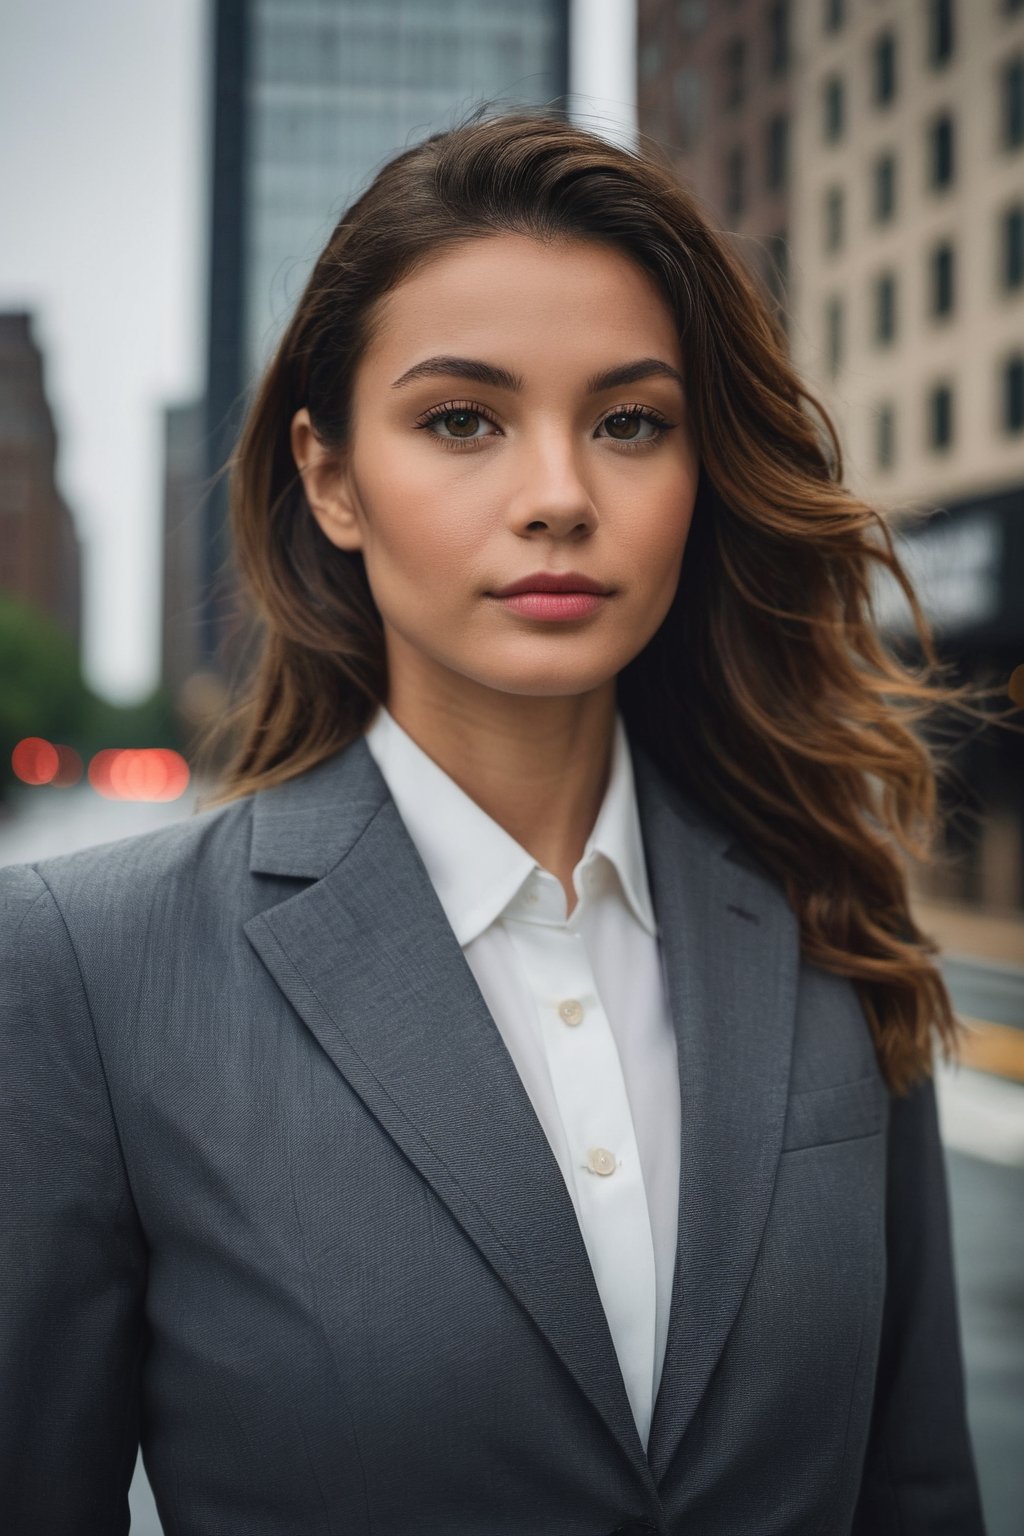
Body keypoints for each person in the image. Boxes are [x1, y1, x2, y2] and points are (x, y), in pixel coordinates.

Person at [1, 112, 986, 1535]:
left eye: (629, 422)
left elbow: (918, 1493)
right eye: (462, 419)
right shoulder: (84, 969)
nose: (558, 499)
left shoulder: (831, 920)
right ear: (332, 477)